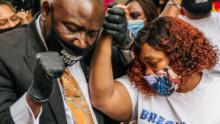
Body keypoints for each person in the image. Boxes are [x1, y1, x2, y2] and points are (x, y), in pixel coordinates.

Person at [0, 0, 128, 123]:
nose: (82, 44)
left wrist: (126, 42)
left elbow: (134, 79)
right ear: (46, 10)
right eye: (72, 29)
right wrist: (34, 97)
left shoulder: (97, 42)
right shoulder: (5, 51)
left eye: (91, 34)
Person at [89, 16, 220, 123]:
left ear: (180, 55)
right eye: (144, 65)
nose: (147, 73)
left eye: (153, 63)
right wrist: (106, 36)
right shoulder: (142, 87)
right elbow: (102, 99)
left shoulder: (215, 95)